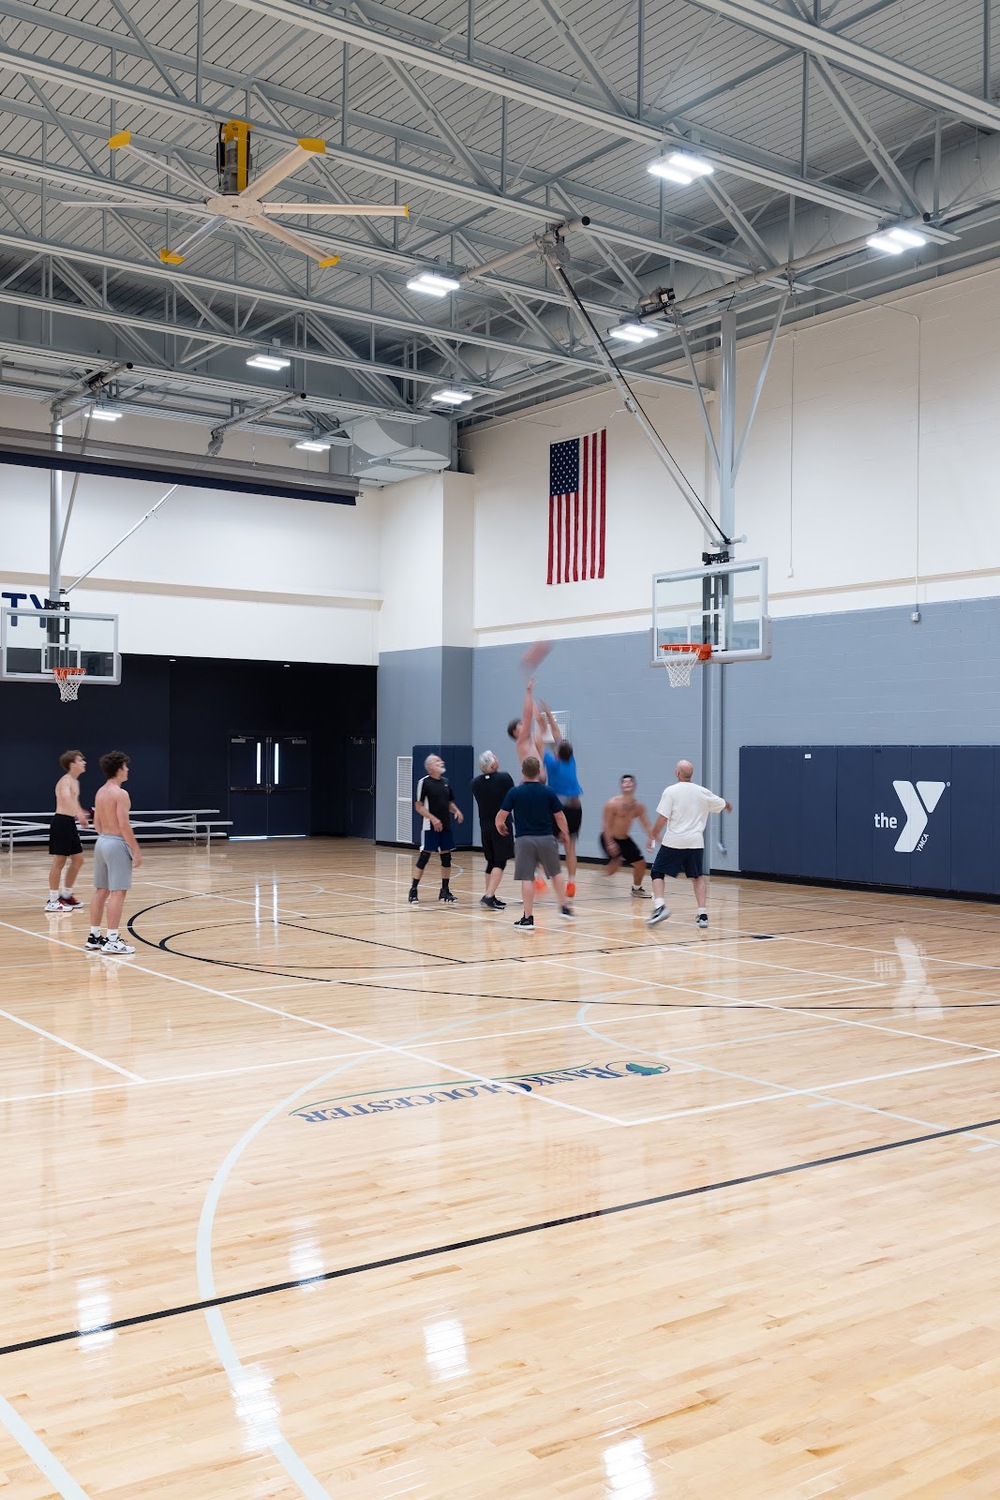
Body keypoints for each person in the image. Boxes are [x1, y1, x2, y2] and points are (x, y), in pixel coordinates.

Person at [646, 759, 732, 929]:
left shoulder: (670, 791)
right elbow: (723, 804)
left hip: (674, 841)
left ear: (677, 773)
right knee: (697, 877)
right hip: (695, 842)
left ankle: (659, 907)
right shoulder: (702, 792)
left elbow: (663, 818)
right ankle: (702, 915)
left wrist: (653, 835)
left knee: (657, 872)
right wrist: (728, 805)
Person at [495, 756, 572, 930]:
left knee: (527, 878)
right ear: (539, 772)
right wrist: (565, 833)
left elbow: (500, 817)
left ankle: (528, 918)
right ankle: (565, 907)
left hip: (524, 840)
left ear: (523, 772)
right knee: (556, 873)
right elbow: (560, 816)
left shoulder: (514, 792)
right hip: (546, 838)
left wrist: (500, 826)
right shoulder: (548, 792)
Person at [86, 749, 142, 955]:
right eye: (126, 767)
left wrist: (105, 838)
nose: (128, 770)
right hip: (116, 843)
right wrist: (136, 850)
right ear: (119, 770)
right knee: (118, 892)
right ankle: (112, 939)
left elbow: (97, 823)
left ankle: (94, 936)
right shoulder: (121, 794)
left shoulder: (100, 792)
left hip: (101, 841)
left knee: (101, 890)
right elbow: (124, 825)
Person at [539, 704, 582, 897]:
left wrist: (541, 724)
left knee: (543, 841)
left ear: (557, 752)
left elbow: (541, 743)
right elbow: (558, 737)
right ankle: (571, 882)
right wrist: (549, 714)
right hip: (575, 807)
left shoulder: (552, 762)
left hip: (558, 809)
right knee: (570, 846)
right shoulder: (570, 760)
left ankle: (540, 876)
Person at [409, 754, 464, 903]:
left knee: (446, 857)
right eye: (438, 760)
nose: (442, 761)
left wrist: (457, 811)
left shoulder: (446, 782)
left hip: (445, 825)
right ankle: (413, 890)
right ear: (431, 766)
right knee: (424, 857)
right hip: (430, 826)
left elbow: (449, 803)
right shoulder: (424, 782)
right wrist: (432, 819)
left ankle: (444, 891)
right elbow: (418, 806)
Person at [46, 748, 90, 912]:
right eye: (80, 760)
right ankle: (52, 900)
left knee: (78, 860)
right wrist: (79, 814)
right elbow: (65, 797)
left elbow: (73, 800)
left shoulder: (75, 782)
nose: (84, 762)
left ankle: (66, 895)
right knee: (59, 861)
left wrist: (83, 812)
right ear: (72, 764)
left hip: (69, 823)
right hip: (61, 822)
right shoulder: (65, 780)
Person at [471, 751, 515, 910]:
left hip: (485, 826)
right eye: (495, 758)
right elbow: (512, 798)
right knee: (500, 861)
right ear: (493, 764)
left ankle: (490, 894)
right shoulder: (504, 778)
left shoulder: (475, 783)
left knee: (491, 860)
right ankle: (489, 896)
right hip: (501, 825)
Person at [600, 775, 654, 898]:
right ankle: (599, 880)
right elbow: (606, 825)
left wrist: (651, 839)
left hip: (625, 839)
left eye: (630, 782)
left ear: (634, 786)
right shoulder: (612, 804)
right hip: (609, 837)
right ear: (621, 786)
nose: (627, 784)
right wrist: (610, 843)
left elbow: (646, 825)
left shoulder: (638, 807)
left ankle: (636, 889)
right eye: (624, 782)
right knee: (614, 866)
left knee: (641, 864)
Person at [506, 677, 548, 782]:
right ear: (515, 733)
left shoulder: (532, 739)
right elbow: (527, 716)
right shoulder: (522, 740)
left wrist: (538, 716)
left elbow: (544, 729)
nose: (523, 724)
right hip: (531, 784)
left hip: (539, 783)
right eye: (520, 724)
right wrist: (529, 691)